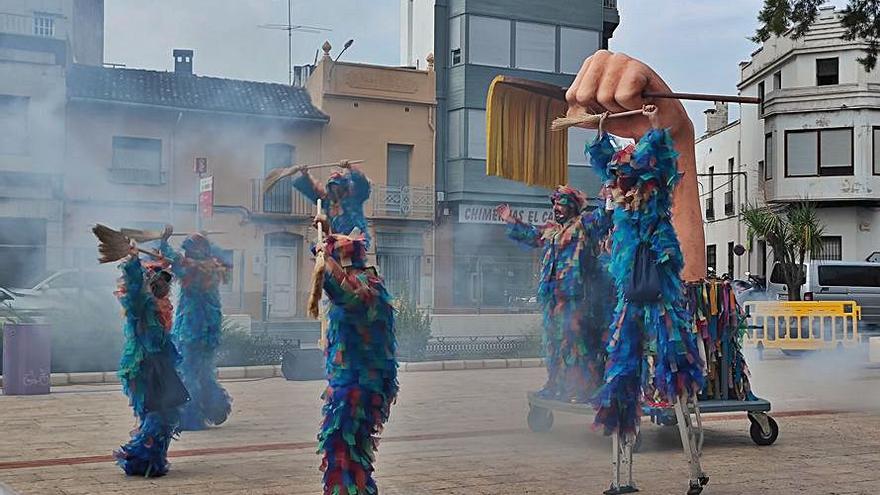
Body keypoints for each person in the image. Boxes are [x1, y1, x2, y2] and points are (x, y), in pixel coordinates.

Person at [588, 104, 707, 495]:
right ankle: (620, 477)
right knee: (622, 370)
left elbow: (661, 157)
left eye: (627, 172)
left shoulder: (654, 193)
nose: (619, 180)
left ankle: (693, 470)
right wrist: (603, 130)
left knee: (675, 366)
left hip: (659, 292)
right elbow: (606, 161)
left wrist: (655, 125)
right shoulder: (623, 200)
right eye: (618, 175)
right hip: (632, 294)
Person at [497, 187, 613, 403]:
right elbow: (532, 235)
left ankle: (581, 388)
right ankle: (555, 385)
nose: (556, 209)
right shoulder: (552, 231)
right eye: (554, 205)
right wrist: (510, 219)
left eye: (561, 204)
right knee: (554, 344)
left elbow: (603, 219)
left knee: (576, 344)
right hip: (553, 301)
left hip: (576, 301)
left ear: (572, 206)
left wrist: (607, 199)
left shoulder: (583, 225)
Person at [311, 215, 398, 495]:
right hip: (353, 382)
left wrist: (326, 261)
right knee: (347, 450)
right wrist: (327, 233)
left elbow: (346, 293)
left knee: (343, 447)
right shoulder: (366, 278)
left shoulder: (366, 286)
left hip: (359, 386)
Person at [112, 244, 189, 477]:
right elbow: (134, 288)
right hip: (146, 366)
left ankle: (150, 458)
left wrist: (164, 255)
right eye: (161, 280)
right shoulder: (141, 306)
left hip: (161, 364)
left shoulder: (161, 303)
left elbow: (176, 266)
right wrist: (133, 261)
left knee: (167, 411)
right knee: (159, 412)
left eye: (167, 280)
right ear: (151, 283)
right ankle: (141, 458)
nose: (166, 284)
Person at [159, 230, 233, 431]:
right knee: (205, 369)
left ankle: (190, 416)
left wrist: (163, 240)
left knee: (189, 370)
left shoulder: (190, 269)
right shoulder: (213, 267)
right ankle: (215, 407)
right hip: (209, 328)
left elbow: (172, 259)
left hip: (192, 327)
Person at [292, 160, 373, 249]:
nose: (335, 190)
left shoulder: (354, 200)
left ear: (344, 188)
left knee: (342, 247)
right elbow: (316, 189)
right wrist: (306, 174)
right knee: (316, 246)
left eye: (337, 187)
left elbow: (362, 184)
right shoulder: (328, 203)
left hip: (355, 239)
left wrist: (350, 167)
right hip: (337, 241)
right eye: (332, 187)